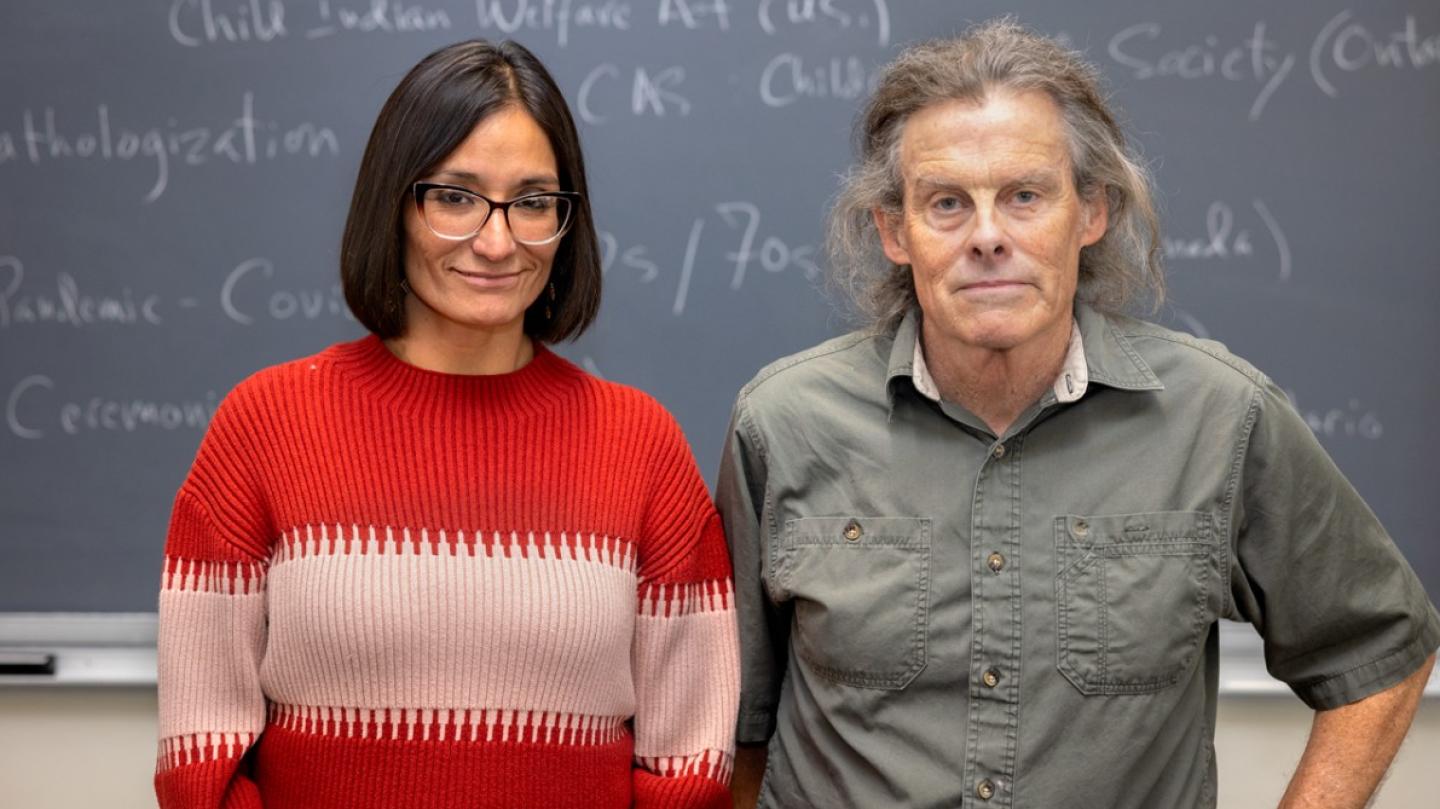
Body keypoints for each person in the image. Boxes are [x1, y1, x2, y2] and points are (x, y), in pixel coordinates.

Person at [717, 19, 1438, 809]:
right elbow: (738, 728)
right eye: (947, 203)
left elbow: (1382, 648)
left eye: (1025, 196)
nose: (988, 236)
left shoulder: (1222, 419)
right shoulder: (781, 426)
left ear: (1091, 213)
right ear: (895, 231)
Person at [154, 40, 738, 809]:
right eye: (455, 197)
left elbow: (690, 762)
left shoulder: (643, 445)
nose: (497, 242)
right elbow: (203, 762)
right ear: (393, 206)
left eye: (532, 202)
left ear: (567, 222)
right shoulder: (263, 425)